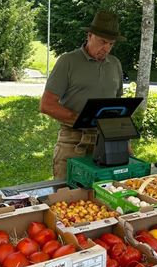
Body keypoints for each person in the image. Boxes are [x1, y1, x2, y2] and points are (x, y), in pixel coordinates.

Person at [40, 10, 125, 179]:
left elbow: (117, 104)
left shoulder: (115, 64)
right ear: (89, 35)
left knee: (103, 196)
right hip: (73, 139)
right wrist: (81, 118)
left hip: (105, 140)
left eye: (111, 44)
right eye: (102, 42)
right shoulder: (68, 61)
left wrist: (123, 141)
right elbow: (46, 105)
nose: (106, 48)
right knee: (67, 194)